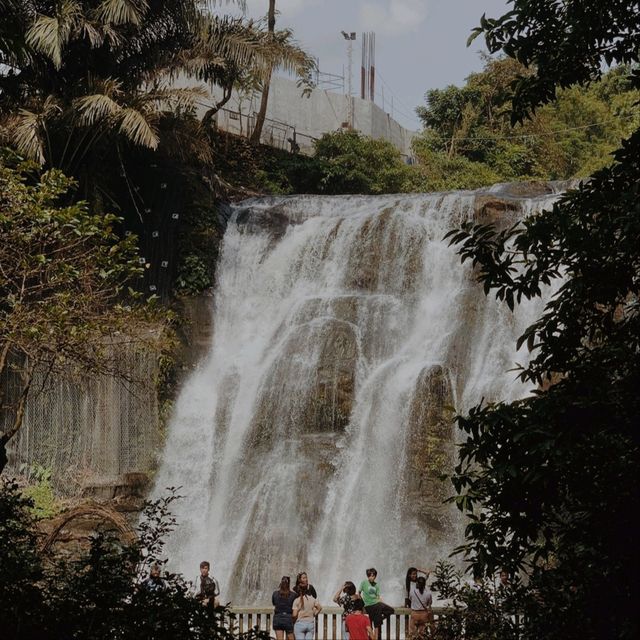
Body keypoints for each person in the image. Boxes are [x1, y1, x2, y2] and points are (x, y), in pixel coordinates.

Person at [358, 568, 394, 640]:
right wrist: (361, 603)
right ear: (368, 576)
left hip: (377, 603)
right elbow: (359, 593)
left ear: (375, 576)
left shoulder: (376, 585)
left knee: (391, 610)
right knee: (375, 620)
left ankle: (379, 620)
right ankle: (375, 637)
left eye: (373, 576)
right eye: (370, 576)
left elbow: (378, 597)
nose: (372, 577)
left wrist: (382, 602)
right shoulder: (364, 583)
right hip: (368, 605)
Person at [272, 576, 297, 640]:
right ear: (289, 584)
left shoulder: (275, 594)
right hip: (288, 618)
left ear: (281, 583)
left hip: (277, 618)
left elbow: (274, 603)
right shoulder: (293, 595)